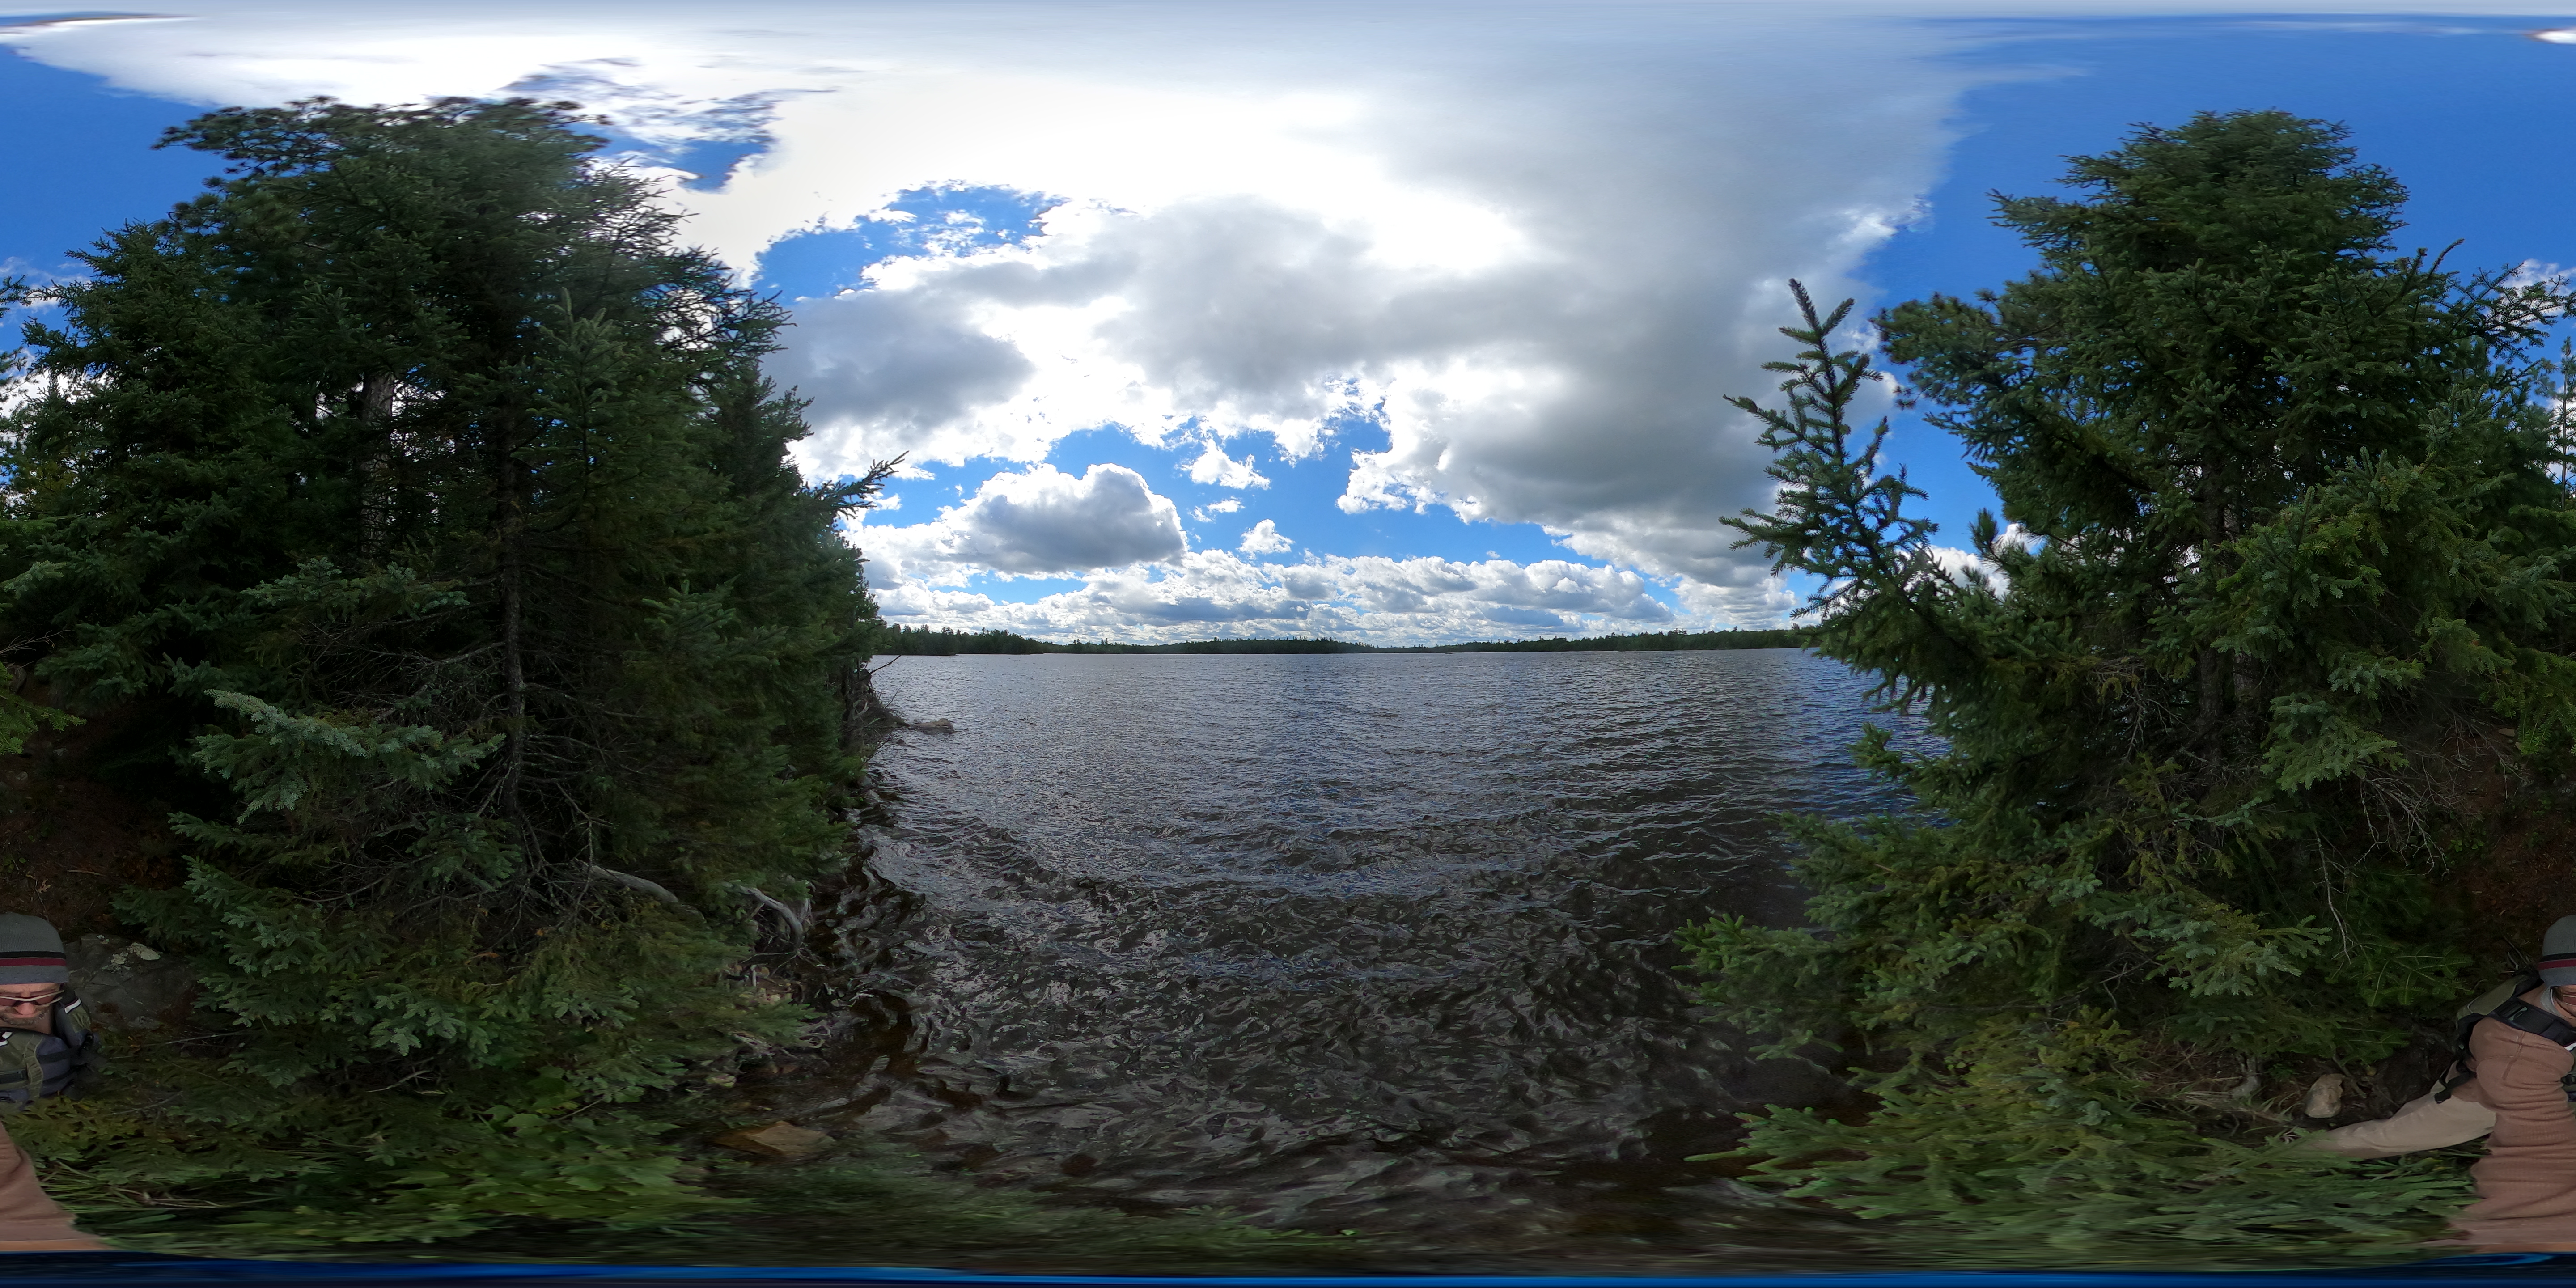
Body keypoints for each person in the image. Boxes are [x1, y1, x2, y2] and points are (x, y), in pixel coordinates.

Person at [0, 913, 106, 1251]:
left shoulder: (68, 1008)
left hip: (70, 1140)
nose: (27, 1010)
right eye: (7, 997)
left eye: (43, 994)